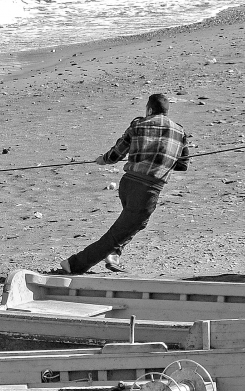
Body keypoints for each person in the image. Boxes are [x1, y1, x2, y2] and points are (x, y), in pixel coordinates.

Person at [57, 93, 190, 275]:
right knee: (123, 229)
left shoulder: (138, 124)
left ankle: (113, 253)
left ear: (149, 109)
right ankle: (74, 264)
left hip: (127, 184)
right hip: (149, 189)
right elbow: (182, 165)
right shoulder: (180, 131)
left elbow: (115, 155)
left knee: (131, 224)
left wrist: (103, 160)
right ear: (166, 112)